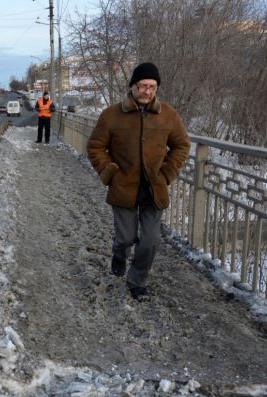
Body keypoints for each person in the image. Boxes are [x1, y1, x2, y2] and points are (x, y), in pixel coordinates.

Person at [86, 62, 190, 301]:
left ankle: (137, 281)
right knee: (125, 238)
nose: (147, 91)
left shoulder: (168, 115)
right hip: (123, 187)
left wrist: (167, 173)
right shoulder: (112, 115)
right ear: (132, 85)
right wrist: (109, 172)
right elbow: (95, 146)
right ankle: (119, 254)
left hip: (154, 188)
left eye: (152, 87)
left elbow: (182, 145)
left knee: (151, 241)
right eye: (143, 85)